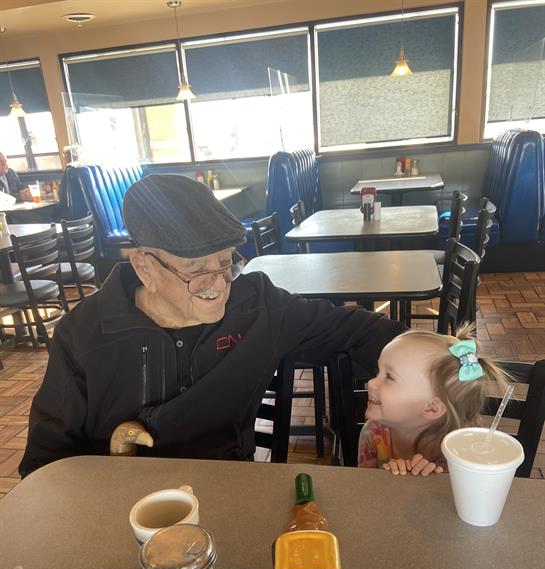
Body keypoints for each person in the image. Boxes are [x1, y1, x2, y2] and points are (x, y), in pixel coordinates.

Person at [20, 174, 405, 477]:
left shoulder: (256, 307)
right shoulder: (84, 333)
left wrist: (437, 375)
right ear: (144, 267)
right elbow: (45, 462)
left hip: (226, 487)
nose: (219, 285)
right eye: (195, 270)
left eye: (225, 262)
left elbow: (359, 332)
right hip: (122, 500)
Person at [357, 325, 508, 476]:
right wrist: (388, 476)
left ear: (432, 408)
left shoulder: (464, 446)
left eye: (389, 377)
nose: (371, 383)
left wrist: (437, 478)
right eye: (378, 371)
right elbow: (364, 484)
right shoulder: (373, 433)